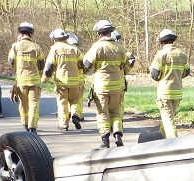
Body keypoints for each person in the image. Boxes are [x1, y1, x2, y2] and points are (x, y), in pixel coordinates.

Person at [82, 19, 133, 148]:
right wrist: (124, 71)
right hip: (117, 87)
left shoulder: (97, 47)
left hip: (102, 87)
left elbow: (86, 64)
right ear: (111, 32)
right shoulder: (121, 48)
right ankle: (117, 134)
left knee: (103, 113)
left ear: (99, 33)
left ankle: (105, 141)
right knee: (116, 111)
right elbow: (129, 62)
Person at [149, 29, 190, 138]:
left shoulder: (161, 55)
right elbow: (186, 72)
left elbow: (154, 75)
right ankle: (161, 139)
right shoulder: (183, 55)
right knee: (169, 118)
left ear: (162, 42)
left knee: (168, 120)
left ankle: (173, 142)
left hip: (165, 93)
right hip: (178, 92)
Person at [42, 29, 85, 131]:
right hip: (75, 82)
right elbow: (82, 65)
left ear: (55, 39)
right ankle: (75, 115)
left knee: (62, 102)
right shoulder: (74, 49)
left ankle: (64, 124)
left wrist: (44, 79)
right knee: (75, 100)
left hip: (61, 82)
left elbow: (49, 68)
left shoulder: (55, 50)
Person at [8, 22, 44, 133]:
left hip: (21, 81)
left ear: (20, 33)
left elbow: (11, 61)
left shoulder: (15, 46)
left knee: (23, 105)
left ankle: (25, 123)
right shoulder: (36, 47)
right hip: (34, 80)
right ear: (31, 33)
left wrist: (19, 66)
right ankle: (32, 127)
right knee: (34, 104)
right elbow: (41, 65)